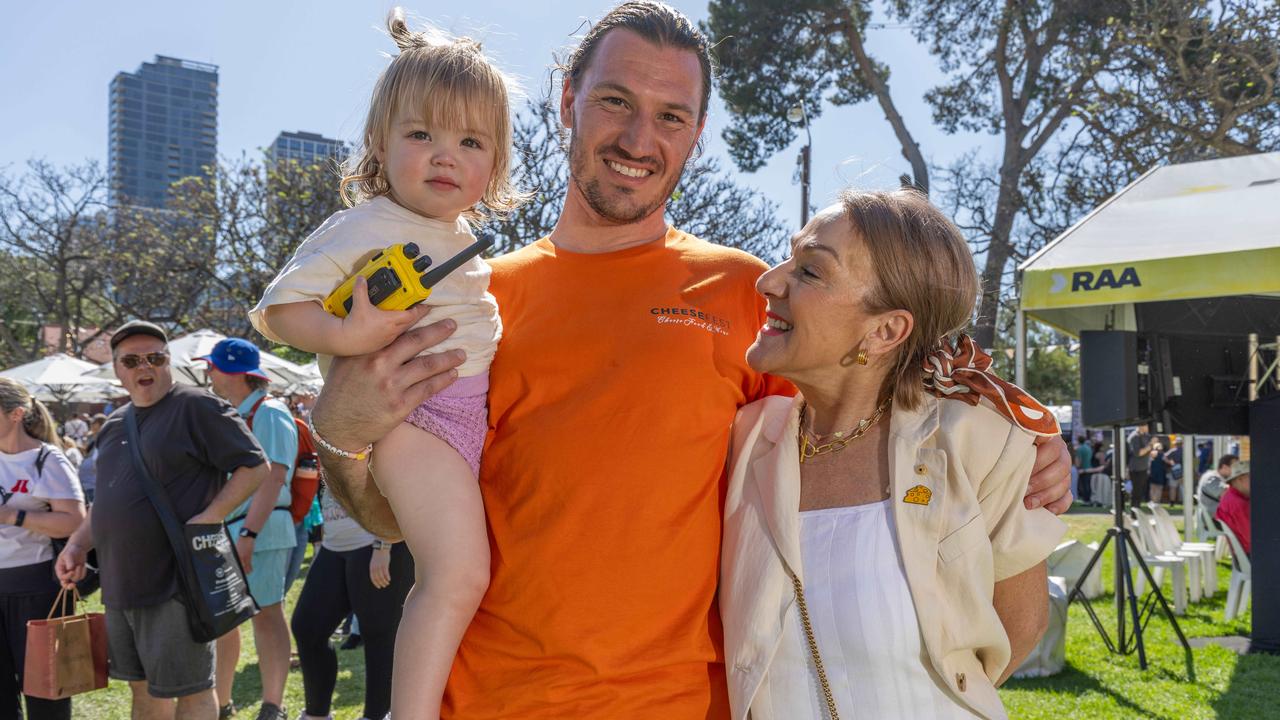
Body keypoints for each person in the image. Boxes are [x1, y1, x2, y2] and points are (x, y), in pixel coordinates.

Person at [309, 3, 1075, 717]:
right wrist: (340, 434)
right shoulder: (471, 302)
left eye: (670, 116)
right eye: (615, 102)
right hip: (489, 699)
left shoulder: (749, 296)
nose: (640, 140)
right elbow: (398, 517)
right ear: (568, 98)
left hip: (689, 704)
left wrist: (1023, 434)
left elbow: (876, 392)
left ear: (697, 132)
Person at [247, 11, 519, 716]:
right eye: (420, 134)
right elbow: (279, 310)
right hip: (416, 420)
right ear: (380, 143)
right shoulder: (365, 224)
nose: (444, 155)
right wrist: (353, 331)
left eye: (470, 140)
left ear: (497, 161)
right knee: (456, 576)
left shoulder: (457, 234)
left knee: (455, 570)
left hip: (461, 422)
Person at [721, 190, 1064, 720]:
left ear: (885, 331)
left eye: (810, 271)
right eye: (788, 255)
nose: (768, 280)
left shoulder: (979, 441)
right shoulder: (745, 439)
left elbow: (1020, 627)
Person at [54, 320, 270, 720]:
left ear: (169, 362)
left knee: (191, 691)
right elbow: (106, 499)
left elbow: (255, 466)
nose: (144, 367)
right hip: (120, 585)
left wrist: (211, 517)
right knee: (143, 693)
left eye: (155, 357)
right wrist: (77, 544)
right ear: (118, 370)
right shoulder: (115, 423)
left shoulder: (198, 406)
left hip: (175, 581)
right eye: (131, 360)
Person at [201, 339, 298, 720]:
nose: (208, 373)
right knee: (226, 619)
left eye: (213, 366)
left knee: (266, 613)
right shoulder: (234, 412)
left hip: (259, 529)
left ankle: (273, 705)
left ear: (235, 372)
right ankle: (222, 703)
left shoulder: (269, 412)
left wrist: (249, 535)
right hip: (234, 529)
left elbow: (274, 478)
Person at [0, 378, 86, 720]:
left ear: (16, 414)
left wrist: (11, 515)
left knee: (45, 696)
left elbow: (75, 521)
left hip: (35, 589)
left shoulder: (45, 459)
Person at [290, 486, 412, 720]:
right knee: (307, 628)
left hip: (377, 543)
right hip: (335, 544)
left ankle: (375, 716)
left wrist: (383, 544)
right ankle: (316, 714)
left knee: (379, 638)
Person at [1215, 461, 1251, 557]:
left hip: (1244, 553)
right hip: (1250, 555)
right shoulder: (1238, 503)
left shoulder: (1230, 496)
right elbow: (1251, 537)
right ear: (1240, 479)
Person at [77, 414, 107, 505]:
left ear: (101, 424)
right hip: (85, 480)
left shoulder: (105, 438)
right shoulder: (90, 437)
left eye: (94, 423)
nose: (91, 425)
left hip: (94, 481)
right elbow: (86, 453)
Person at [1126, 424, 1154, 503]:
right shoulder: (1134, 437)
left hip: (1144, 468)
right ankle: (1134, 512)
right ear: (1141, 426)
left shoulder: (1145, 436)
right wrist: (1151, 444)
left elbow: (1147, 449)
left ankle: (1136, 510)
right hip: (1136, 468)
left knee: (1140, 492)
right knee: (1136, 492)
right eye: (1147, 426)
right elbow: (1138, 453)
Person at [1074, 435, 1093, 504]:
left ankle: (1086, 500)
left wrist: (1077, 467)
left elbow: (1079, 460)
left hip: (1083, 469)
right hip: (1089, 468)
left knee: (1084, 486)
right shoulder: (1089, 448)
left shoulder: (1079, 449)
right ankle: (1088, 499)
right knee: (1088, 485)